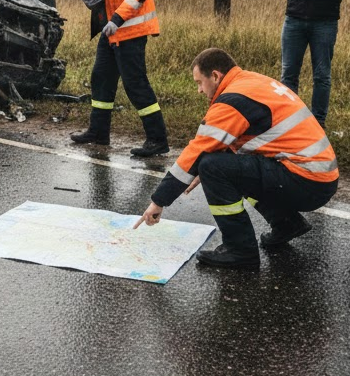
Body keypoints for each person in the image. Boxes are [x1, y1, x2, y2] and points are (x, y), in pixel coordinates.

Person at [135, 48, 338, 270]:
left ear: (215, 76)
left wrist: (158, 201)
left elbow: (198, 151)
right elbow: (248, 142)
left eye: (200, 83)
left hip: (306, 181)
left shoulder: (232, 101)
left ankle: (240, 250)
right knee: (227, 166)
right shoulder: (251, 82)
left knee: (212, 167)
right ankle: (286, 224)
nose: (199, 90)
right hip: (318, 177)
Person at [70, 0, 169, 157]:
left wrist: (117, 19)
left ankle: (158, 141)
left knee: (136, 85)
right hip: (110, 32)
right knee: (101, 78)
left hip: (131, 30)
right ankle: (98, 133)